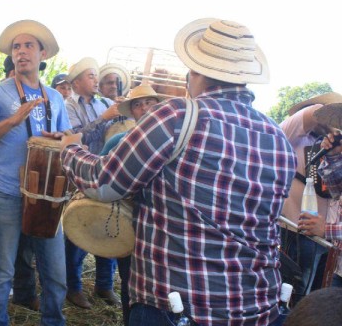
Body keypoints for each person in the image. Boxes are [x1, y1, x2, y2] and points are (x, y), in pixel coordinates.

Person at [61, 18, 297, 325]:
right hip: (259, 307)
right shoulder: (278, 138)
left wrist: (70, 149)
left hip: (179, 308)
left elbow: (104, 183)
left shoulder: (176, 116)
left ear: (195, 70)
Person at [0, 19, 70, 326]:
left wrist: (62, 140)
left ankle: (54, 321)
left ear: (43, 54)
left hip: (47, 195)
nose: (21, 52)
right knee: (1, 271)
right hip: (8, 193)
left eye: (28, 46)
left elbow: (67, 140)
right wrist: (11, 121)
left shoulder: (56, 97)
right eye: (16, 47)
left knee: (55, 272)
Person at [99, 83, 171, 326]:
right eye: (138, 105)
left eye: (149, 103)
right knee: (130, 283)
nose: (144, 108)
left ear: (158, 106)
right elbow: (101, 179)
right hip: (127, 224)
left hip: (162, 230)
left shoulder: (175, 141)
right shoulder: (119, 141)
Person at [63, 57, 120, 309]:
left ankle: (104, 285)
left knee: (107, 228)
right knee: (79, 230)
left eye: (96, 76)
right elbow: (77, 138)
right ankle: (72, 287)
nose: (96, 80)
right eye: (91, 76)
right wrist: (105, 117)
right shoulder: (68, 106)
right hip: (80, 176)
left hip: (106, 175)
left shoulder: (107, 103)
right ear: (75, 83)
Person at [279, 92, 342, 300]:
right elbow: (336, 189)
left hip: (326, 237)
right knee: (299, 294)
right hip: (300, 232)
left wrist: (327, 230)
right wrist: (333, 156)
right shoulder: (294, 135)